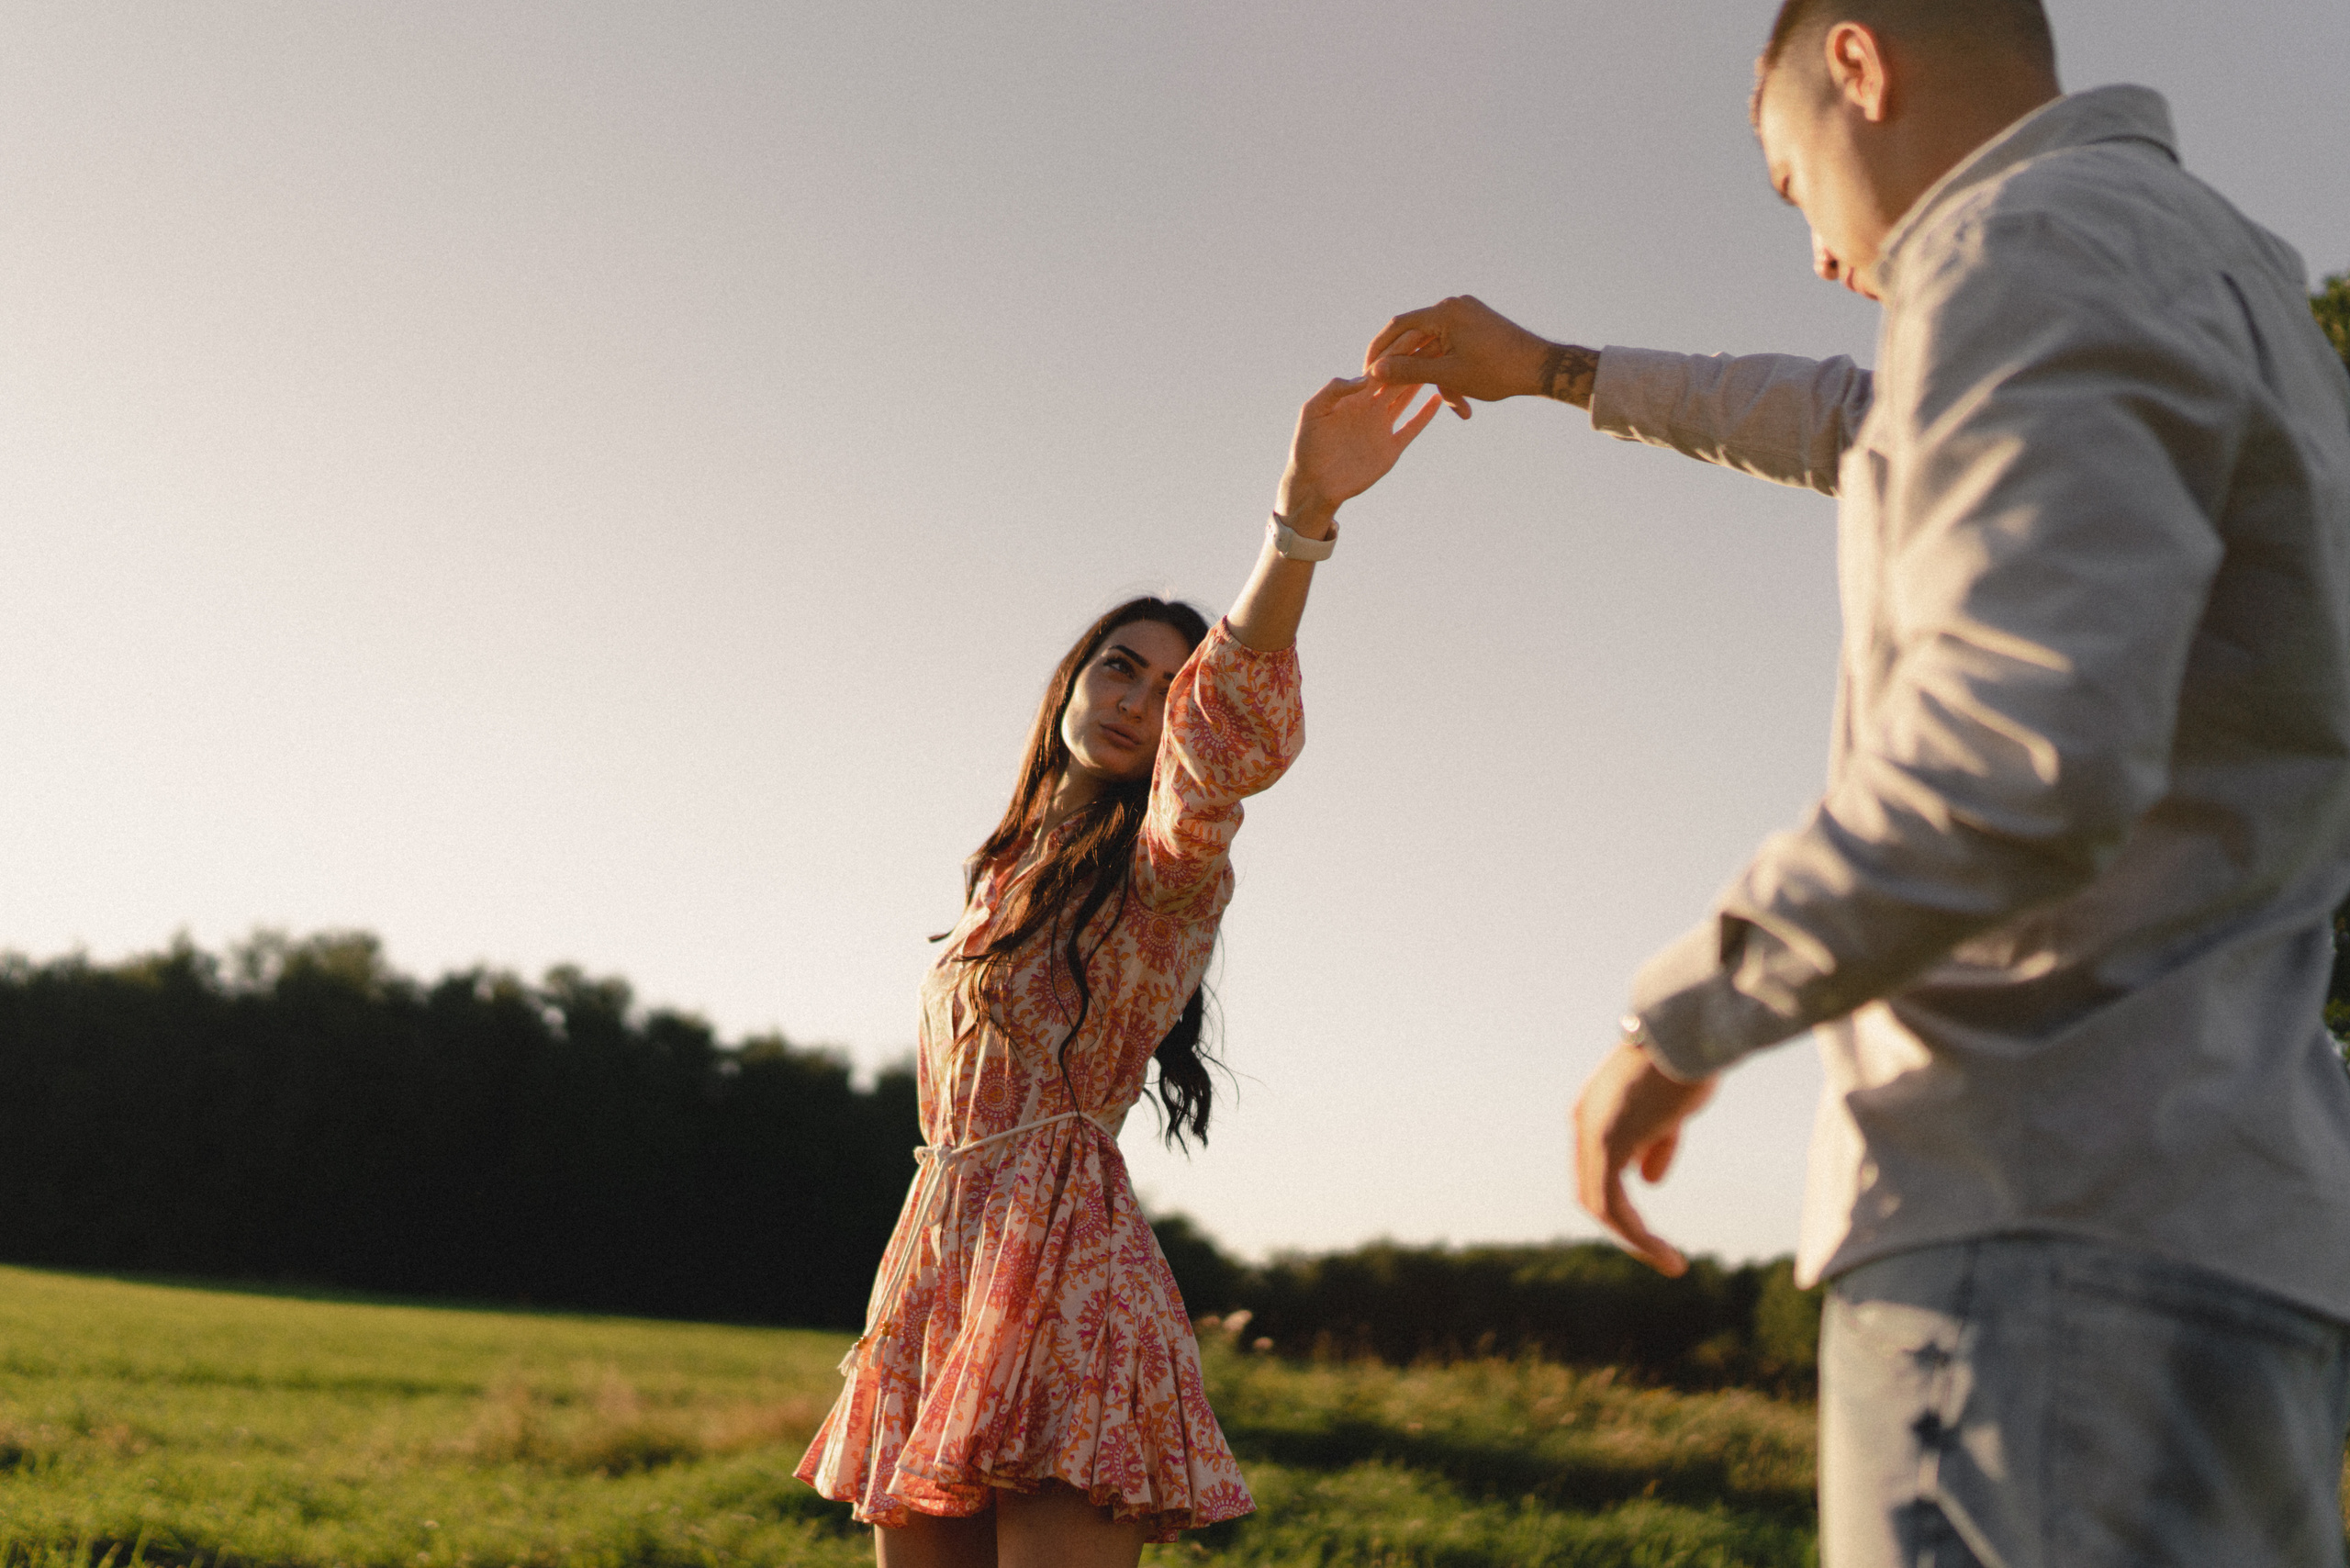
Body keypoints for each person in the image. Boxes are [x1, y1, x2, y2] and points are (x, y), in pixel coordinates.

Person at [1363, 2, 2350, 1564]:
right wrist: (1553, 369)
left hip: (2029, 1227)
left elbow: (2016, 752)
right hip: (2236, 1234)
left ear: (1856, 64)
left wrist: (1681, 1018)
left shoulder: (2019, 243)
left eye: (1789, 181)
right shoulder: (2227, 282)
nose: (1821, 253)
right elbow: (1852, 422)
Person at [795, 371, 1438, 1567]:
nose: (1140, 702)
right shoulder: (1001, 877)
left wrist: (1299, 522)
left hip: (1066, 1278)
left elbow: (1226, 731)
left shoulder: (1167, 869)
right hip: (942, 1258)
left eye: (1167, 687)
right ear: (1071, 683)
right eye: (1119, 668)